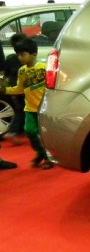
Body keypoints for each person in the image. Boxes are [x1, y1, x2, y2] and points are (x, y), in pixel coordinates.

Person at [0, 38, 53, 169]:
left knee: (45, 135)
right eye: (18, 55)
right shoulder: (22, 71)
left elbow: (52, 86)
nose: (19, 57)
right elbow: (20, 89)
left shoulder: (44, 68)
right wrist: (5, 90)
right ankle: (41, 153)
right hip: (29, 108)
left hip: (44, 108)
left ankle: (48, 158)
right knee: (29, 131)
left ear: (34, 54)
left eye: (23, 54)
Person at [2, 33, 28, 145]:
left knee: (19, 109)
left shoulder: (10, 58)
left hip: (11, 87)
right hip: (22, 87)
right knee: (23, 109)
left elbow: (6, 73)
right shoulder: (25, 59)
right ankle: (13, 131)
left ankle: (15, 131)